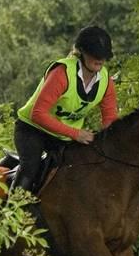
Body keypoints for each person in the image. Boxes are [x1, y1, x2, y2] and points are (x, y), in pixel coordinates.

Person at [12, 26, 119, 193]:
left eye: (103, 56)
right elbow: (38, 114)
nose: (100, 59)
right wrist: (77, 134)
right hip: (32, 130)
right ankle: (10, 213)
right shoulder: (62, 73)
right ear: (82, 52)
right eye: (95, 54)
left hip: (63, 137)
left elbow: (110, 121)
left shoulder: (106, 81)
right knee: (30, 167)